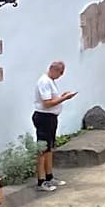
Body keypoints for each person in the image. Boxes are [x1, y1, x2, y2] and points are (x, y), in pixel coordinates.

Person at [32, 61, 74, 192]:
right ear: (53, 69)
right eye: (60, 73)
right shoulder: (44, 81)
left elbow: (52, 99)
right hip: (43, 117)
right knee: (42, 150)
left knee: (49, 148)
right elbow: (47, 103)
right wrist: (64, 98)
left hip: (51, 118)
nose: (60, 76)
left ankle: (49, 177)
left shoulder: (50, 81)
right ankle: (41, 181)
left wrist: (61, 96)